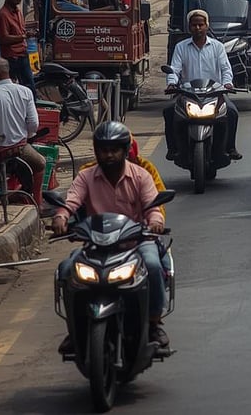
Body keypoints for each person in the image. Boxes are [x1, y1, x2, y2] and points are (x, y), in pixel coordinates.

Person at [53, 121, 169, 348]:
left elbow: (153, 207)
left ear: (125, 151)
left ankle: (154, 322)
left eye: (114, 150)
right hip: (96, 245)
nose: (109, 155)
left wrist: (155, 223)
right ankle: (75, 329)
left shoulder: (141, 176)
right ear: (96, 151)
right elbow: (71, 201)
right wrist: (61, 217)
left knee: (153, 265)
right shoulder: (86, 176)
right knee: (66, 270)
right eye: (104, 150)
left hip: (137, 242)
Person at [164, 10, 241, 161]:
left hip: (214, 93)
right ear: (189, 27)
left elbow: (226, 68)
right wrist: (172, 83)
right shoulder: (181, 47)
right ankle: (172, 149)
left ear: (207, 26)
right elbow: (174, 69)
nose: (198, 28)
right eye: (194, 25)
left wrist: (227, 83)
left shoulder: (218, 47)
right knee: (169, 111)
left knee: (232, 112)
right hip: (187, 94)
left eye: (201, 24)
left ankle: (230, 148)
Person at [0, 58, 45, 198]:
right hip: (20, 148)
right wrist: (27, 135)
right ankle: (37, 200)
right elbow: (34, 124)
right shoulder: (26, 91)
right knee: (40, 164)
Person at [0, 0, 34, 91]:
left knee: (29, 85)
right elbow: (3, 38)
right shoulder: (2, 15)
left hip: (23, 53)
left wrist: (28, 34)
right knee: (14, 85)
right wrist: (23, 37)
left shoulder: (18, 11)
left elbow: (21, 30)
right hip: (12, 56)